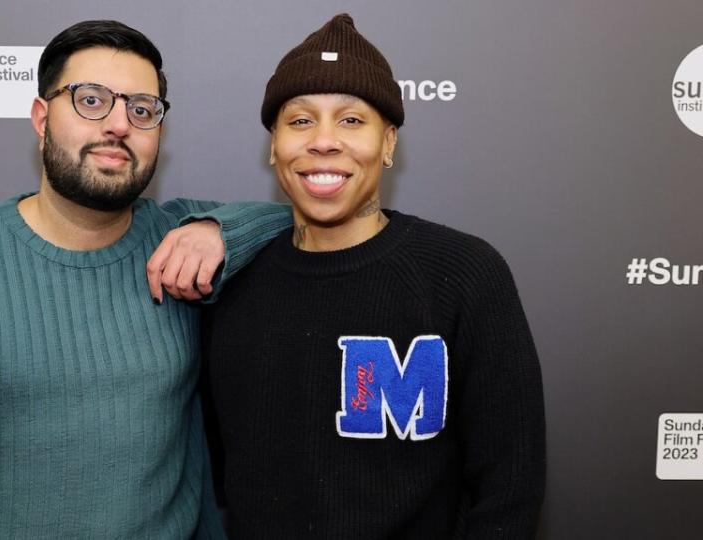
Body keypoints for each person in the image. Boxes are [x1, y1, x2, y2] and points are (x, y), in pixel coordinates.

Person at [0, 19, 289, 539]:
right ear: (41, 117)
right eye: (91, 100)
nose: (119, 124)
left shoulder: (181, 247)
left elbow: (310, 218)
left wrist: (223, 230)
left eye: (142, 109)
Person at [201, 14, 546, 538]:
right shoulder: (233, 283)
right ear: (273, 145)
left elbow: (509, 489)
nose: (323, 141)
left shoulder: (465, 274)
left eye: (351, 120)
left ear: (388, 145)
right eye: (300, 121)